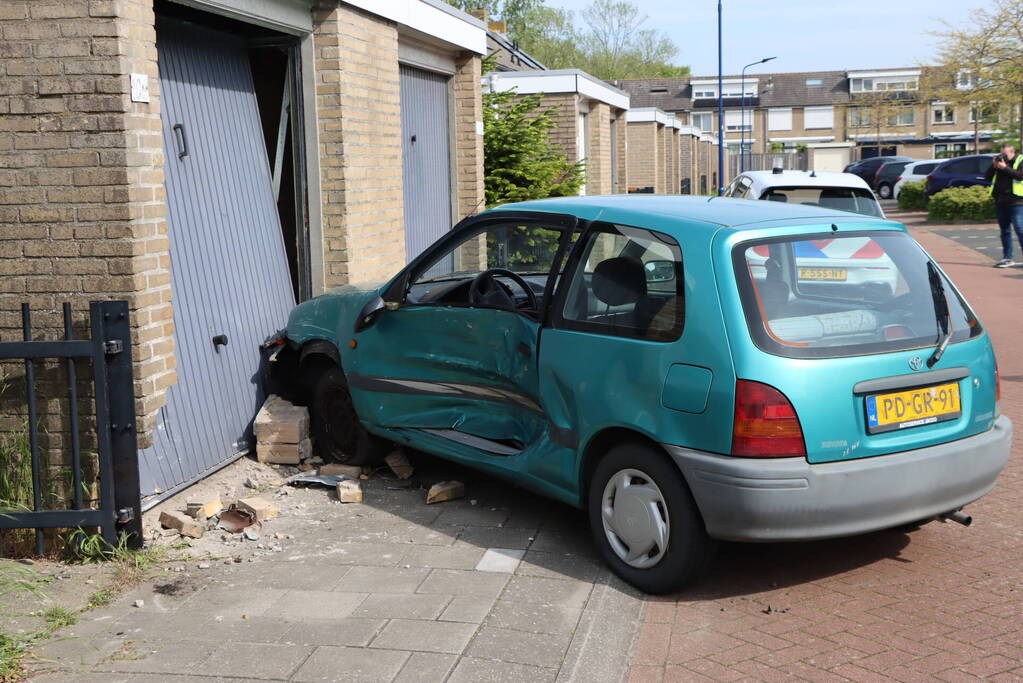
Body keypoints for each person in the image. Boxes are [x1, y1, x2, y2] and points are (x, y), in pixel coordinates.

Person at [985, 143, 1023, 268]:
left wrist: (1005, 167)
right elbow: (987, 177)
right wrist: (994, 166)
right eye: (1001, 153)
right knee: (1004, 230)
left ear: (1012, 152)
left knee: (1020, 230)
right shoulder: (999, 163)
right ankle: (1007, 257)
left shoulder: (1020, 160)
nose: (1003, 156)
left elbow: (1020, 176)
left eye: (1005, 154)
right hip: (1001, 201)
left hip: (1017, 201)